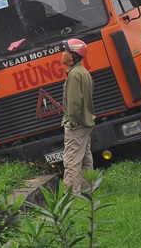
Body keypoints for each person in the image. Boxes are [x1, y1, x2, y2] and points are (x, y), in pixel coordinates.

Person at [60, 38, 95, 194]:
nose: (62, 54)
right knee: (86, 158)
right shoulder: (84, 72)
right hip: (87, 123)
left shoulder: (74, 75)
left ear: (73, 55)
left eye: (65, 51)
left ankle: (71, 197)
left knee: (71, 161)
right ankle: (88, 191)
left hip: (77, 124)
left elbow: (74, 104)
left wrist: (71, 123)